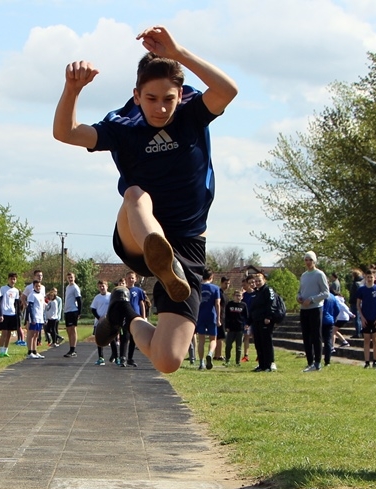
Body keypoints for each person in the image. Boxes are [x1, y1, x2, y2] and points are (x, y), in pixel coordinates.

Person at [53, 25, 238, 373]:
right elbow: (66, 133)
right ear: (136, 95)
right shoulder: (125, 127)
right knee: (136, 194)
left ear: (180, 95)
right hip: (137, 236)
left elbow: (228, 90)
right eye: (151, 99)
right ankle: (158, 250)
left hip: (187, 247)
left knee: (168, 360)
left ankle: (123, 312)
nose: (160, 108)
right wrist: (72, 89)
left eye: (168, 99)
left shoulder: (192, 114)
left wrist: (178, 51)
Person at [297, 251, 330, 372]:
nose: (308, 262)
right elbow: (300, 291)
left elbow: (326, 293)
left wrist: (312, 299)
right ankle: (309, 361)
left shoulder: (319, 274)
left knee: (316, 336)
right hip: (304, 309)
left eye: (310, 260)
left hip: (315, 308)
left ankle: (317, 362)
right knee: (306, 336)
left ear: (314, 261)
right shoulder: (304, 275)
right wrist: (299, 297)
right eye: (306, 260)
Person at [356, 269, 376, 369]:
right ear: (365, 277)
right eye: (367, 277)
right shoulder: (361, 290)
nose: (369, 279)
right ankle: (367, 362)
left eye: (371, 277)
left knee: (375, 339)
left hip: (375, 317)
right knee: (366, 339)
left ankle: (375, 361)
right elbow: (358, 304)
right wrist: (362, 317)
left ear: (375, 278)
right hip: (365, 317)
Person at [249, 271, 277, 372]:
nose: (257, 283)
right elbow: (253, 308)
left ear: (264, 280)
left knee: (266, 343)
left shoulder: (268, 290)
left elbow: (271, 303)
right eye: (256, 281)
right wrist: (249, 322)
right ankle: (261, 364)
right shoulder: (256, 292)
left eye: (259, 281)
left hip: (265, 321)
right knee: (258, 343)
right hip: (256, 321)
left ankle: (268, 364)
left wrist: (268, 316)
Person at [195, 267, 221, 370]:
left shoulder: (198, 287)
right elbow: (218, 303)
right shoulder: (215, 288)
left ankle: (201, 362)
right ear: (211, 277)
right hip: (211, 315)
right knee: (213, 339)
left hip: (200, 315)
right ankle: (210, 353)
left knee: (201, 340)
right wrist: (218, 318)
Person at [119, 271, 147, 367]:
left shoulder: (139, 291)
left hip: (136, 317)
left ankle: (130, 358)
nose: (130, 280)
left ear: (135, 279)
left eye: (132, 278)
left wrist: (143, 317)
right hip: (125, 317)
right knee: (125, 337)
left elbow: (142, 304)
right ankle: (123, 357)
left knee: (133, 338)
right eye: (128, 278)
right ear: (125, 279)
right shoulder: (122, 290)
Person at [90, 280, 116, 365]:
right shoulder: (97, 298)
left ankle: (116, 356)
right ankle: (101, 358)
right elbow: (93, 309)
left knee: (112, 339)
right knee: (99, 340)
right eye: (100, 286)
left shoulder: (111, 296)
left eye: (103, 286)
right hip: (99, 322)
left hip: (110, 321)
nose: (101, 288)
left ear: (107, 286)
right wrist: (99, 317)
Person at [0, 273, 21, 358]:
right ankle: (1, 350)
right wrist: (0, 313)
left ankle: (6, 350)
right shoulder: (3, 289)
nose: (12, 280)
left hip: (12, 314)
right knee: (4, 332)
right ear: (8, 279)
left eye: (14, 279)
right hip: (4, 313)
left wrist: (18, 313)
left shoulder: (16, 291)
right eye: (11, 279)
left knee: (9, 333)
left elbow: (16, 303)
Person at [223, 289, 248, 366]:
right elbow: (226, 316)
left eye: (239, 296)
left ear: (242, 297)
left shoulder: (243, 305)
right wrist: (226, 326)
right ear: (233, 296)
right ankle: (227, 359)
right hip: (230, 328)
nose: (238, 297)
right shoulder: (229, 304)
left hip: (240, 328)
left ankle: (238, 362)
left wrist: (246, 324)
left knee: (239, 347)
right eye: (236, 295)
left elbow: (246, 316)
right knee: (228, 345)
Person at [62, 272, 82, 358]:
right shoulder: (67, 287)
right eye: (69, 277)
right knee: (68, 330)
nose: (70, 279)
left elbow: (79, 300)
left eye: (71, 277)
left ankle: (73, 349)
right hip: (67, 311)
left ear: (74, 278)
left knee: (73, 330)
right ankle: (71, 348)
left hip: (73, 311)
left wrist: (79, 312)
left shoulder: (75, 288)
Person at [24, 282, 46, 360]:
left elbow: (43, 308)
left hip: (40, 318)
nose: (38, 287)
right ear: (34, 287)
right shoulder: (32, 295)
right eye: (36, 286)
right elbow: (30, 307)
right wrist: (32, 318)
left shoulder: (41, 295)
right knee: (31, 334)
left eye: (39, 286)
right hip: (34, 317)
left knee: (36, 334)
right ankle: (30, 352)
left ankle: (35, 351)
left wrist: (44, 317)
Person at [213, 276, 230, 360]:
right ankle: (218, 355)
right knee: (220, 337)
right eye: (225, 283)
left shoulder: (225, 294)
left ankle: (217, 354)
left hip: (224, 317)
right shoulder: (219, 292)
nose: (227, 285)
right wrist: (218, 318)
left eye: (228, 283)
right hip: (219, 317)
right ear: (221, 283)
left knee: (220, 337)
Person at [320, 291, 340, 367]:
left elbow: (321, 309)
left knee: (317, 340)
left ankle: (316, 359)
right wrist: (333, 317)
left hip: (321, 320)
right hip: (330, 320)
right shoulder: (332, 296)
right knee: (328, 341)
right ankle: (327, 361)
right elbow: (337, 309)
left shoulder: (322, 296)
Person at [241, 275, 257, 363]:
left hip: (255, 318)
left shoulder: (256, 294)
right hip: (246, 319)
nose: (252, 284)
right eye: (250, 282)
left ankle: (259, 354)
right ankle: (246, 355)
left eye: (253, 282)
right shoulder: (244, 295)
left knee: (256, 337)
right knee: (246, 336)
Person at [350, 268, 364, 338]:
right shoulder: (362, 282)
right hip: (361, 302)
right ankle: (360, 332)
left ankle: (358, 332)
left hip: (355, 302)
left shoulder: (356, 284)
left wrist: (351, 300)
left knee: (356, 318)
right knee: (359, 318)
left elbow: (354, 294)